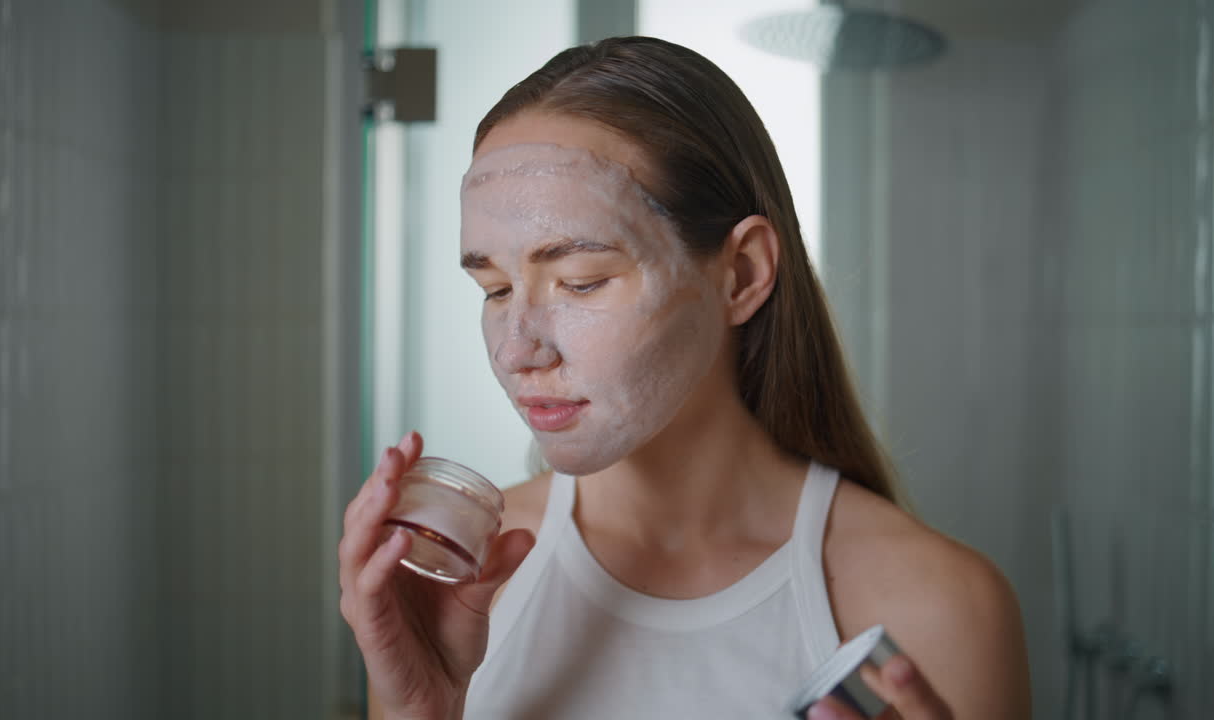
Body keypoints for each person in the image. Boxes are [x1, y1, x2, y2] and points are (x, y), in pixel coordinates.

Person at [339, 36, 1031, 720]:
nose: (517, 351)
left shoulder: (936, 610)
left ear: (743, 274)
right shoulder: (462, 580)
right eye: (493, 289)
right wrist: (419, 713)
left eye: (580, 281)